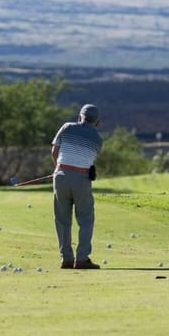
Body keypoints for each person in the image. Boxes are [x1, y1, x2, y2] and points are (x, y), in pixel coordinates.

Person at [51, 103, 104, 269]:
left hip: (60, 176)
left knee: (62, 219)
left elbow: (54, 151)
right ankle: (82, 259)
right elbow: (89, 161)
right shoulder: (98, 139)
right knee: (86, 219)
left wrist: (58, 169)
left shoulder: (67, 127)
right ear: (97, 122)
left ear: (80, 116)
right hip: (81, 178)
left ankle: (66, 259)